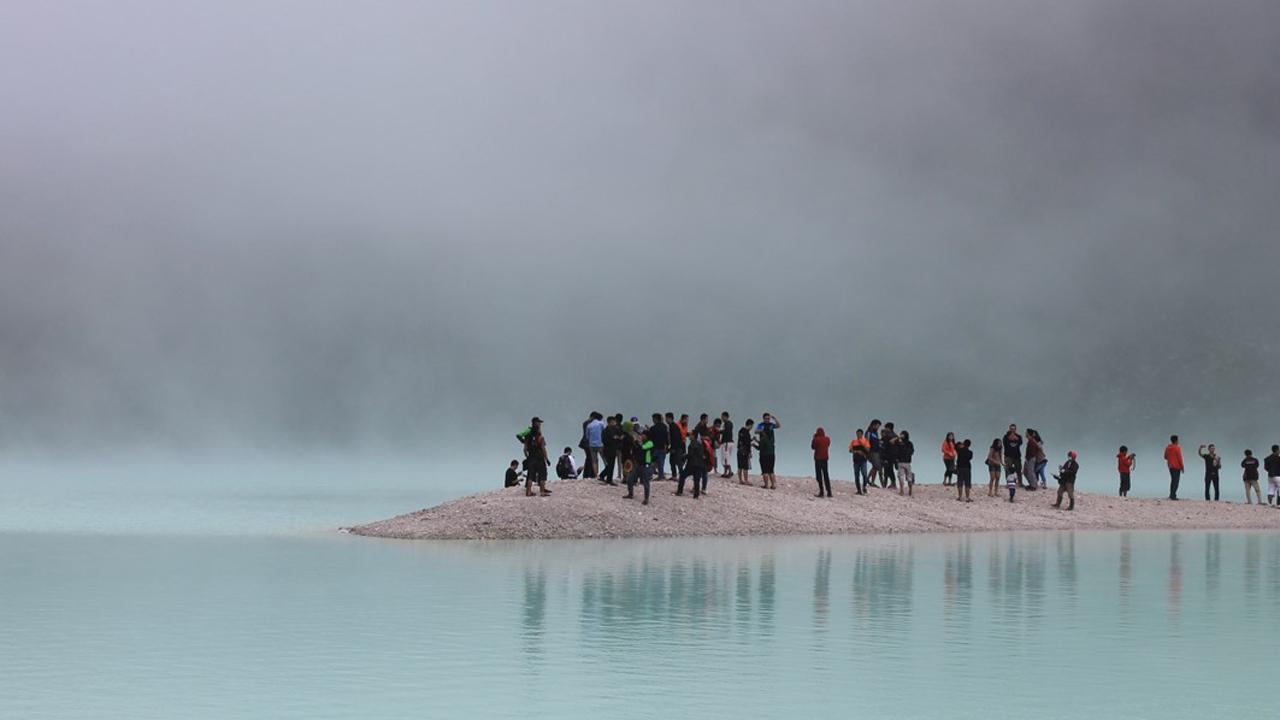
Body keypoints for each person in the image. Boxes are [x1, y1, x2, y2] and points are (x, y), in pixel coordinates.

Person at [677, 428, 709, 499]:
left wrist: (684, 456)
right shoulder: (699, 444)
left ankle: (679, 491)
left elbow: (690, 454)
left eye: (690, 435)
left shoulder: (692, 444)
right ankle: (696, 495)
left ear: (694, 436)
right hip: (699, 465)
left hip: (692, 464)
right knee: (696, 480)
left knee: (682, 476)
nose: (689, 436)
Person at [623, 430, 654, 505]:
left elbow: (643, 448)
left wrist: (638, 442)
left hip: (646, 465)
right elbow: (635, 449)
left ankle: (646, 499)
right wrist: (634, 442)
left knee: (645, 483)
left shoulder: (650, 443)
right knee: (630, 479)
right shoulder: (641, 442)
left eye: (643, 435)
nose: (642, 436)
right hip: (637, 464)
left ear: (647, 436)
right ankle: (630, 494)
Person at [523, 419, 551, 497]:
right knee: (542, 474)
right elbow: (543, 449)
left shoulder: (527, 436)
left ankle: (528, 492)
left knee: (530, 475)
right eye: (539, 423)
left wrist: (527, 457)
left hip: (531, 458)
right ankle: (542, 491)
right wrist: (547, 459)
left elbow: (524, 449)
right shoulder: (540, 437)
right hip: (540, 458)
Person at [756, 413, 781, 490]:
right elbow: (756, 431)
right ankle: (768, 484)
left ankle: (771, 485)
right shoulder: (761, 425)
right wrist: (761, 430)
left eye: (768, 418)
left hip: (768, 451)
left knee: (768, 470)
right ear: (763, 418)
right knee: (767, 470)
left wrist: (774, 418)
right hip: (767, 451)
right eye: (766, 418)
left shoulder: (771, 425)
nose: (767, 419)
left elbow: (778, 425)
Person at [600, 416, 624, 485]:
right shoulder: (606, 430)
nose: (614, 423)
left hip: (614, 449)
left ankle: (605, 477)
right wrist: (614, 438)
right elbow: (604, 440)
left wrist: (619, 438)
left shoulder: (616, 429)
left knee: (611, 465)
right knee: (610, 464)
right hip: (608, 449)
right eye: (613, 422)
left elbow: (620, 435)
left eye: (615, 422)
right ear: (609, 422)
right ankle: (608, 479)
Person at [1003, 424, 1026, 490]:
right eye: (1011, 429)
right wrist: (1011, 436)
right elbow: (1005, 444)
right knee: (1008, 470)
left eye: (1014, 429)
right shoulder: (1005, 436)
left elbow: (1020, 443)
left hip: (1017, 456)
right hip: (1008, 456)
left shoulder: (1019, 436)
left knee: (1018, 469)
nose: (1012, 430)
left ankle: (1020, 483)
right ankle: (1008, 483)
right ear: (1009, 429)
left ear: (1016, 429)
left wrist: (1015, 437)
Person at [812, 427, 832, 498]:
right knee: (826, 475)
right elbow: (828, 445)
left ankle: (821, 491)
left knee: (819, 476)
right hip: (825, 459)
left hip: (818, 459)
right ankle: (829, 492)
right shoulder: (827, 439)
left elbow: (813, 447)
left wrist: (814, 438)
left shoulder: (816, 439)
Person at [584, 412, 605, 479]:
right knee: (605, 459)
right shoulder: (601, 423)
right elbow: (604, 432)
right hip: (600, 444)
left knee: (594, 461)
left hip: (592, 445)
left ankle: (596, 475)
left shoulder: (589, 425)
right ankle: (607, 472)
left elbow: (587, 436)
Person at [849, 429, 870, 495]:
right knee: (856, 475)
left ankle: (864, 487)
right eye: (857, 434)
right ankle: (858, 490)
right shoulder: (853, 441)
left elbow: (868, 450)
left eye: (859, 434)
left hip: (863, 460)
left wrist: (862, 444)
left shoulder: (865, 441)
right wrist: (856, 451)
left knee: (864, 474)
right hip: (856, 460)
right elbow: (850, 450)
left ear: (862, 434)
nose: (858, 435)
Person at [649, 413, 670, 481]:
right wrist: (667, 446)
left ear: (655, 419)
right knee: (661, 463)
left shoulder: (653, 428)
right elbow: (667, 438)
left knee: (651, 462)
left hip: (655, 448)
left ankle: (649, 475)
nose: (652, 420)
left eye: (653, 419)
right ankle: (661, 476)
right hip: (663, 447)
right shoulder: (665, 427)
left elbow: (650, 439)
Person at [666, 412, 686, 479]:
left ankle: (681, 475)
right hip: (677, 447)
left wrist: (673, 448)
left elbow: (675, 438)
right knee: (672, 461)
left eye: (666, 418)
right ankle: (674, 475)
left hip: (677, 447)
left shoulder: (673, 426)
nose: (666, 420)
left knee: (678, 462)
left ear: (670, 418)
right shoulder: (673, 426)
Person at [1164, 435, 1184, 500]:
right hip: (1177, 466)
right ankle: (1173, 495)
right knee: (1176, 481)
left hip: (1170, 466)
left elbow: (1165, 456)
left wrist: (1170, 459)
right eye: (1178, 440)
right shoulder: (1177, 448)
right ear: (1176, 441)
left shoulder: (1168, 447)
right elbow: (1180, 458)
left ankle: (1172, 494)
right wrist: (1182, 467)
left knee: (1173, 480)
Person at [896, 430, 916, 496]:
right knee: (909, 477)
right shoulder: (910, 443)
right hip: (907, 462)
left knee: (901, 477)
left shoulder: (899, 443)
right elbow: (912, 452)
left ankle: (902, 491)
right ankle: (910, 490)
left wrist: (898, 438)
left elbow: (896, 450)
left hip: (901, 461)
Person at [881, 422, 899, 489]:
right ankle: (890, 483)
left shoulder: (888, 436)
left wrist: (884, 456)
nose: (885, 429)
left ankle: (891, 483)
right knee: (889, 469)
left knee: (888, 469)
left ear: (888, 428)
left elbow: (885, 447)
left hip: (888, 455)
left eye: (886, 427)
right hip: (894, 456)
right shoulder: (895, 435)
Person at [866, 420, 884, 488]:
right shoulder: (869, 432)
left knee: (875, 467)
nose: (878, 427)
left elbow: (876, 441)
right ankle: (869, 480)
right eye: (877, 426)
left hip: (876, 451)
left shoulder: (875, 433)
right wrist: (867, 451)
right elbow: (867, 441)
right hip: (871, 452)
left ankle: (869, 480)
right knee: (877, 466)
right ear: (873, 425)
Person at [737, 419, 755, 485]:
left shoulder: (741, 431)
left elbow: (742, 441)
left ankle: (740, 480)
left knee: (739, 466)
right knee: (745, 467)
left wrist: (751, 440)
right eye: (752, 426)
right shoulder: (747, 433)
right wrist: (750, 452)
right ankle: (746, 480)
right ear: (750, 425)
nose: (752, 428)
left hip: (739, 450)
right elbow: (747, 444)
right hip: (744, 451)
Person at [719, 412, 736, 478]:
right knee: (725, 457)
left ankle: (730, 472)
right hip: (727, 442)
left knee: (726, 458)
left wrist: (719, 431)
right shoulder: (727, 424)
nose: (722, 418)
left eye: (722, 417)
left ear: (726, 417)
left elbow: (726, 432)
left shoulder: (728, 424)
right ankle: (726, 472)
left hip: (727, 442)